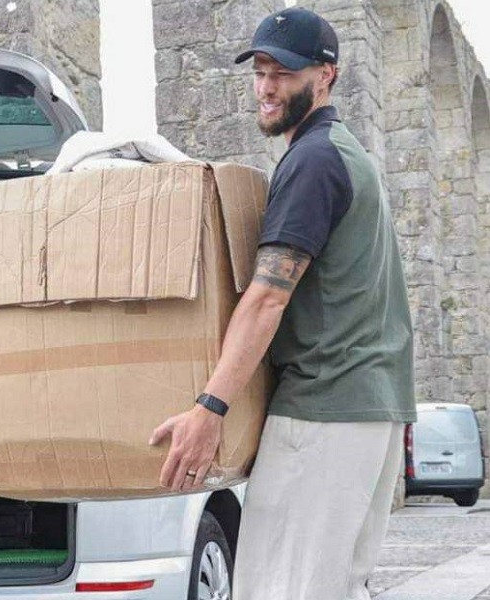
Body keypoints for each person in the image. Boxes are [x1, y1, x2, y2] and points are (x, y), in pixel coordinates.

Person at [149, 7, 415, 600]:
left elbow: (268, 297)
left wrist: (209, 408)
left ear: (327, 76)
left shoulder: (314, 162)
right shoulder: (346, 155)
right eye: (261, 70)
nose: (268, 87)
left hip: (324, 408)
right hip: (368, 407)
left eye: (285, 73)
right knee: (335, 587)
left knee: (281, 588)